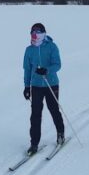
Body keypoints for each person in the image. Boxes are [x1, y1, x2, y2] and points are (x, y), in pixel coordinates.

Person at [23, 22, 65, 154]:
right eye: (32, 33)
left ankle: (60, 134)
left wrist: (47, 70)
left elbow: (57, 64)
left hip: (51, 83)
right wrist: (27, 86)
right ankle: (34, 143)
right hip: (36, 86)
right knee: (35, 114)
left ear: (43, 34)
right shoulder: (29, 50)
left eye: (37, 32)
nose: (34, 35)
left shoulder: (52, 47)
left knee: (53, 109)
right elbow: (27, 69)